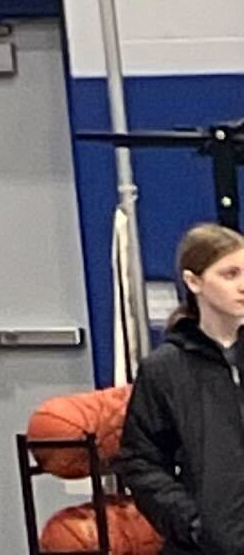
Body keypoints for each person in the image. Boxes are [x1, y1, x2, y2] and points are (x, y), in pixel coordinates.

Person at [122, 223, 244, 552]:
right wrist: (194, 524)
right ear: (194, 281)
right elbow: (141, 462)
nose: (243, 285)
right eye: (230, 274)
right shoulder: (164, 370)